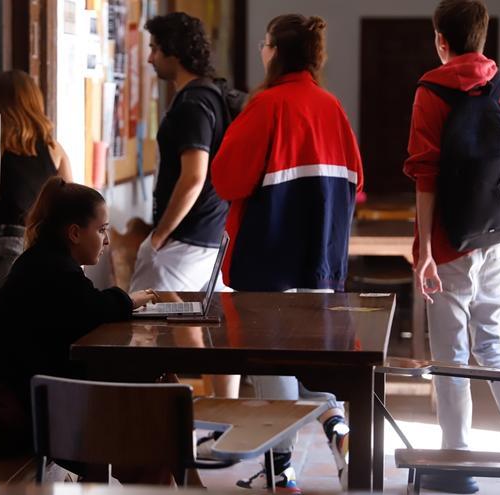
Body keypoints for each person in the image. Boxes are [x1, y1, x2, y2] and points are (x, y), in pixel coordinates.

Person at [210, 14, 363, 493]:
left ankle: (282, 473)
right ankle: (335, 423)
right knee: (305, 360)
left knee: (273, 365)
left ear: (275, 50)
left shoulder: (266, 105)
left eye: (264, 44)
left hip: (268, 260)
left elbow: (227, 180)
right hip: (321, 262)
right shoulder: (331, 107)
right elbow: (358, 182)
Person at [405, 1, 500, 493]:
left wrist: (424, 249)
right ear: (483, 38)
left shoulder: (431, 91)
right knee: (493, 340)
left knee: (451, 352)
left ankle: (457, 463)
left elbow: (425, 176)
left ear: (440, 40)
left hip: (450, 244)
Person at [0, 177, 164, 483]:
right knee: (150, 432)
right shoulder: (54, 272)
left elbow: (88, 306)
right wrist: (127, 300)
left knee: (155, 400)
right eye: (101, 230)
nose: (106, 240)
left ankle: (182, 479)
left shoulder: (44, 262)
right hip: (19, 414)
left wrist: (124, 302)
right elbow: (95, 307)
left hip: (24, 399)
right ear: (74, 233)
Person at [130, 12, 230, 295]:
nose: (150, 59)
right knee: (189, 334)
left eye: (154, 48)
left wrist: (157, 238)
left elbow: (194, 177)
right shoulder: (212, 95)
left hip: (183, 243)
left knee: (141, 331)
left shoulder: (193, 104)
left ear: (174, 51)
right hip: (206, 237)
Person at [0, 70, 73, 295]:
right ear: (34, 101)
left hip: (1, 242)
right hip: (42, 244)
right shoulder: (54, 148)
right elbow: (72, 205)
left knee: (8, 321)